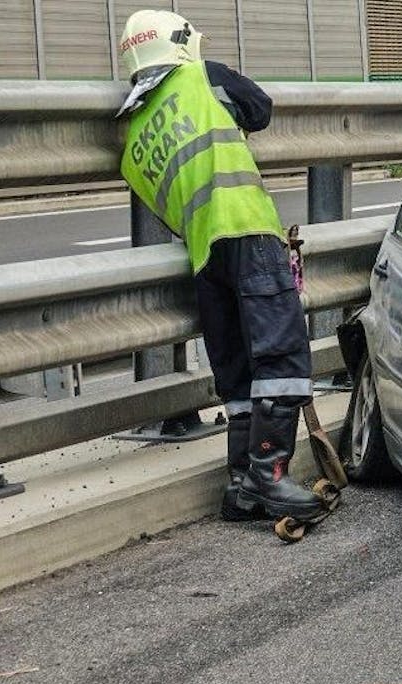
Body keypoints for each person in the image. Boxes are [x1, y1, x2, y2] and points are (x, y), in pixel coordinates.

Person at [114, 10, 324, 524]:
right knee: (280, 357)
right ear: (180, 45)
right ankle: (270, 476)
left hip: (205, 255)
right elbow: (260, 108)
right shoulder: (199, 76)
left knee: (236, 369)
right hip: (249, 230)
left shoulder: (134, 139)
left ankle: (241, 483)